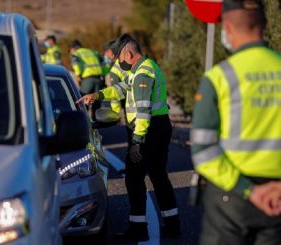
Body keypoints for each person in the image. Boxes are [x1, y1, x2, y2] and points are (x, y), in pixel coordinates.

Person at [190, 0, 281, 244]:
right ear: (264, 24)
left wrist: (249, 190)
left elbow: (202, 151)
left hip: (230, 201)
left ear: (227, 28)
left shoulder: (219, 78)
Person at [77, 33, 180, 242]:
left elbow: (143, 113)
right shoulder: (143, 68)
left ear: (128, 53)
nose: (118, 63)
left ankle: (138, 228)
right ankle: (173, 225)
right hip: (160, 126)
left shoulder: (142, 74)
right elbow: (122, 88)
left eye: (119, 59)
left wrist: (138, 142)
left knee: (134, 178)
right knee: (159, 176)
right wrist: (98, 95)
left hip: (148, 130)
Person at [70, 39, 103, 120]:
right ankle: (96, 123)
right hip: (99, 79)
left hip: (87, 80)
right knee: (96, 102)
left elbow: (76, 66)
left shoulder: (76, 54)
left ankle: (84, 123)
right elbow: (103, 62)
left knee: (83, 102)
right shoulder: (93, 52)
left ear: (73, 48)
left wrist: (78, 75)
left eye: (70, 50)